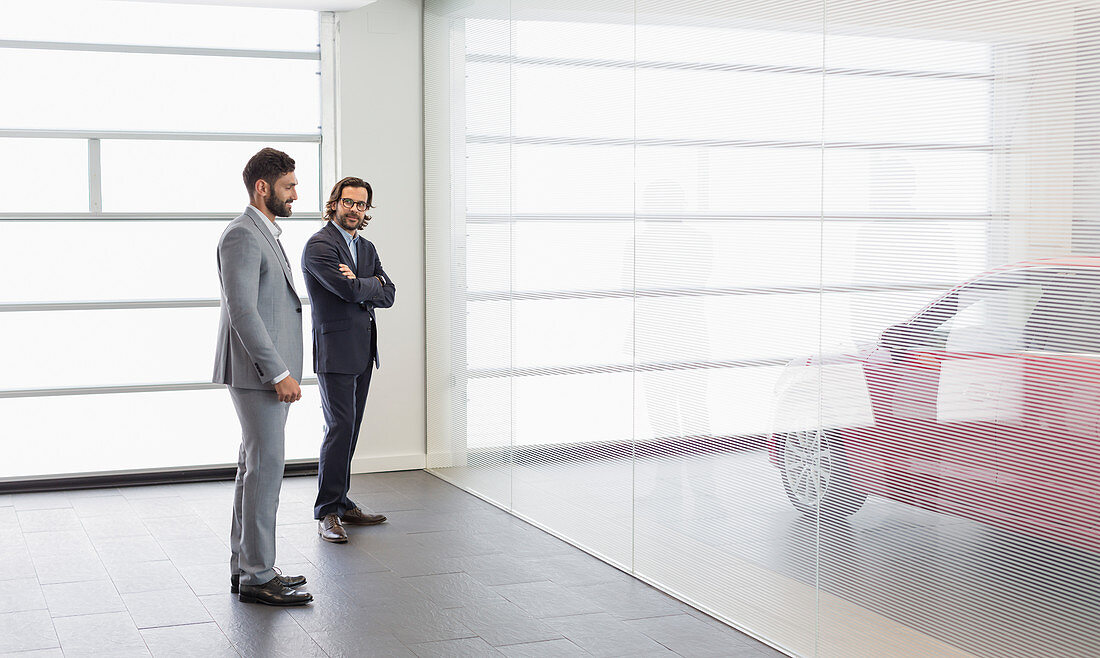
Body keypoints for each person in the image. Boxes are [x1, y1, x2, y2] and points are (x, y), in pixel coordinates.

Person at [213, 148, 312, 605]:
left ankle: (246, 567)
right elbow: (243, 312)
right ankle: (257, 574)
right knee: (266, 467)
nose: (295, 194)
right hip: (259, 374)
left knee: (253, 466)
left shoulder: (262, 233)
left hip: (262, 373)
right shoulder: (243, 235)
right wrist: (279, 372)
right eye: (289, 186)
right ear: (263, 188)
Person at [302, 176, 396, 543]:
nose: (354, 209)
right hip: (336, 351)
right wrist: (365, 283)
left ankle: (341, 501)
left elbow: (389, 293)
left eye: (360, 204)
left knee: (351, 428)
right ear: (334, 203)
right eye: (348, 202)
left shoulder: (366, 247)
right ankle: (327, 511)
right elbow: (346, 288)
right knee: (339, 427)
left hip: (363, 349)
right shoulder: (319, 246)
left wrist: (364, 281)